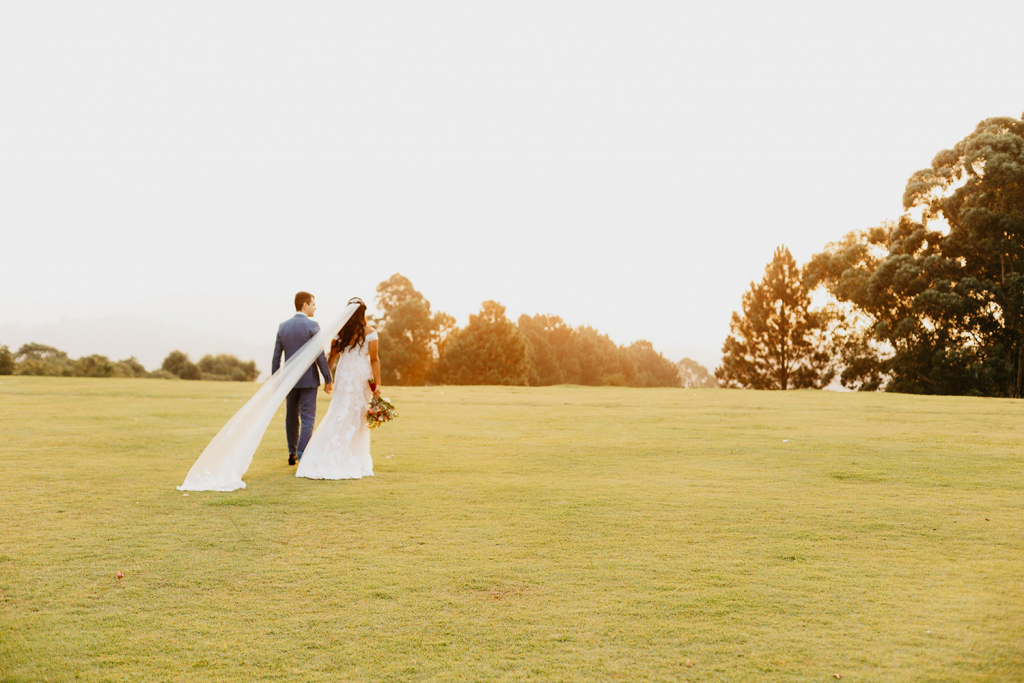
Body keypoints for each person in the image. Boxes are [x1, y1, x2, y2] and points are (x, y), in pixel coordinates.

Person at [296, 297, 380, 480]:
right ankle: (352, 458)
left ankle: (341, 454)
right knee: (357, 414)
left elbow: (331, 358)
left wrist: (329, 380)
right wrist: (377, 384)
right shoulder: (370, 332)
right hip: (360, 376)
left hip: (345, 376)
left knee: (340, 412)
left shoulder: (339, 334)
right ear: (363, 313)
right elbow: (374, 359)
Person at [272, 291, 333, 466]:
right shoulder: (312, 325)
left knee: (291, 417)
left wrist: (275, 380)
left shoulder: (283, 326)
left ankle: (292, 453)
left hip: (288, 381)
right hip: (308, 381)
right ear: (305, 305)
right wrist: (328, 378)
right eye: (313, 304)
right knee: (307, 418)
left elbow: (276, 357)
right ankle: (302, 453)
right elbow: (320, 355)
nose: (315, 307)